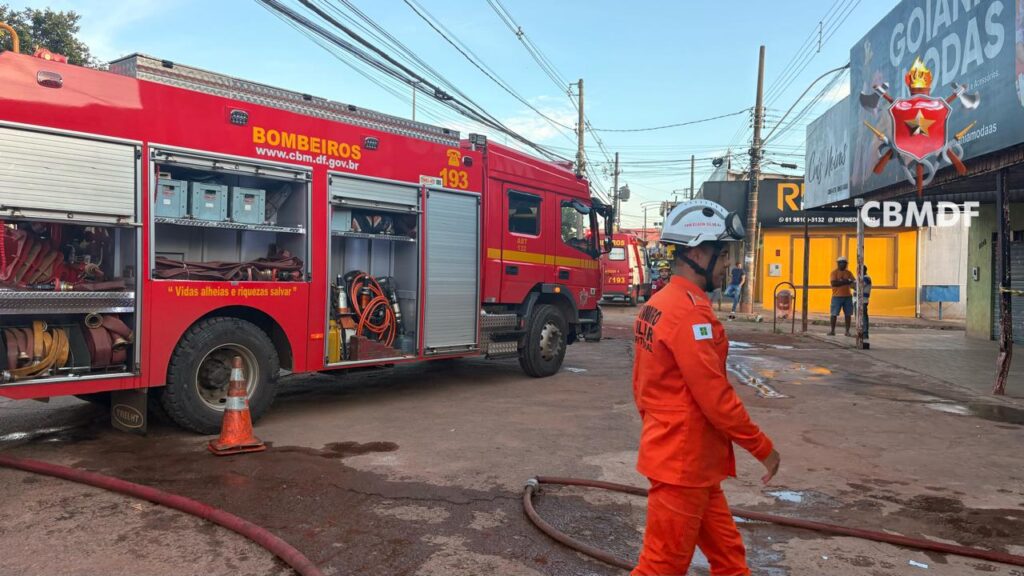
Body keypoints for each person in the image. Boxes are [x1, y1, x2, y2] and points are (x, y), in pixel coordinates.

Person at [632, 200, 780, 576]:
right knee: (661, 567)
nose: (730, 264)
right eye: (723, 253)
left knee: (730, 558)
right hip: (683, 463)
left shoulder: (659, 303)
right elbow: (715, 397)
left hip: (690, 463)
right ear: (698, 252)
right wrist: (762, 448)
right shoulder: (689, 313)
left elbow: (642, 386)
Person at [829, 255, 855, 336]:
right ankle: (832, 331)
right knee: (834, 314)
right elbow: (834, 283)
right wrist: (846, 281)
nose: (843, 264)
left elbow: (853, 282)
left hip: (848, 296)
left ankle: (847, 331)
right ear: (838, 263)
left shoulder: (849, 273)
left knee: (848, 314)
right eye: (841, 263)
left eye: (844, 263)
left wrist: (843, 281)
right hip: (836, 296)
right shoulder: (834, 273)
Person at [860, 265, 872, 347]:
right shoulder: (861, 278)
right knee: (860, 317)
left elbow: (859, 286)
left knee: (863, 316)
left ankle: (865, 333)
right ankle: (862, 332)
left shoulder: (866, 278)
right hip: (859, 299)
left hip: (863, 300)